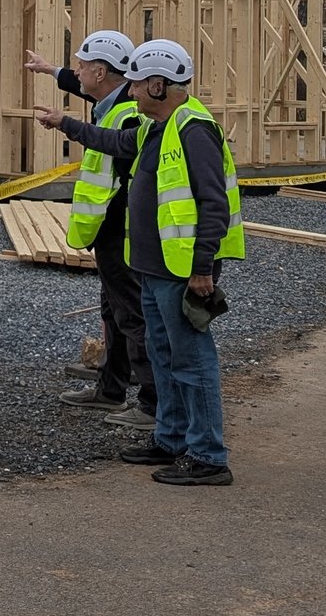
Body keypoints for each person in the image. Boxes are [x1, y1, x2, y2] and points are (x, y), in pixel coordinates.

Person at [31, 39, 243, 487]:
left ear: (160, 85)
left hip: (181, 270)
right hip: (150, 266)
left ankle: (207, 455)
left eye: (136, 85)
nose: (129, 92)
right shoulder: (154, 126)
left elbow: (213, 203)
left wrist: (203, 269)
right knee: (163, 356)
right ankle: (169, 438)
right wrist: (65, 124)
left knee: (191, 361)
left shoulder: (193, 129)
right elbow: (112, 140)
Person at [22, 33, 156, 431]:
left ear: (101, 71)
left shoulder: (130, 111)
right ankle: (111, 389)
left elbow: (120, 144)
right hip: (108, 224)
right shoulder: (111, 100)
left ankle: (151, 402)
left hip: (123, 225)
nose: (77, 70)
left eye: (82, 65)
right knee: (113, 310)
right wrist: (52, 71)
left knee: (132, 312)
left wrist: (68, 126)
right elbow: (87, 92)